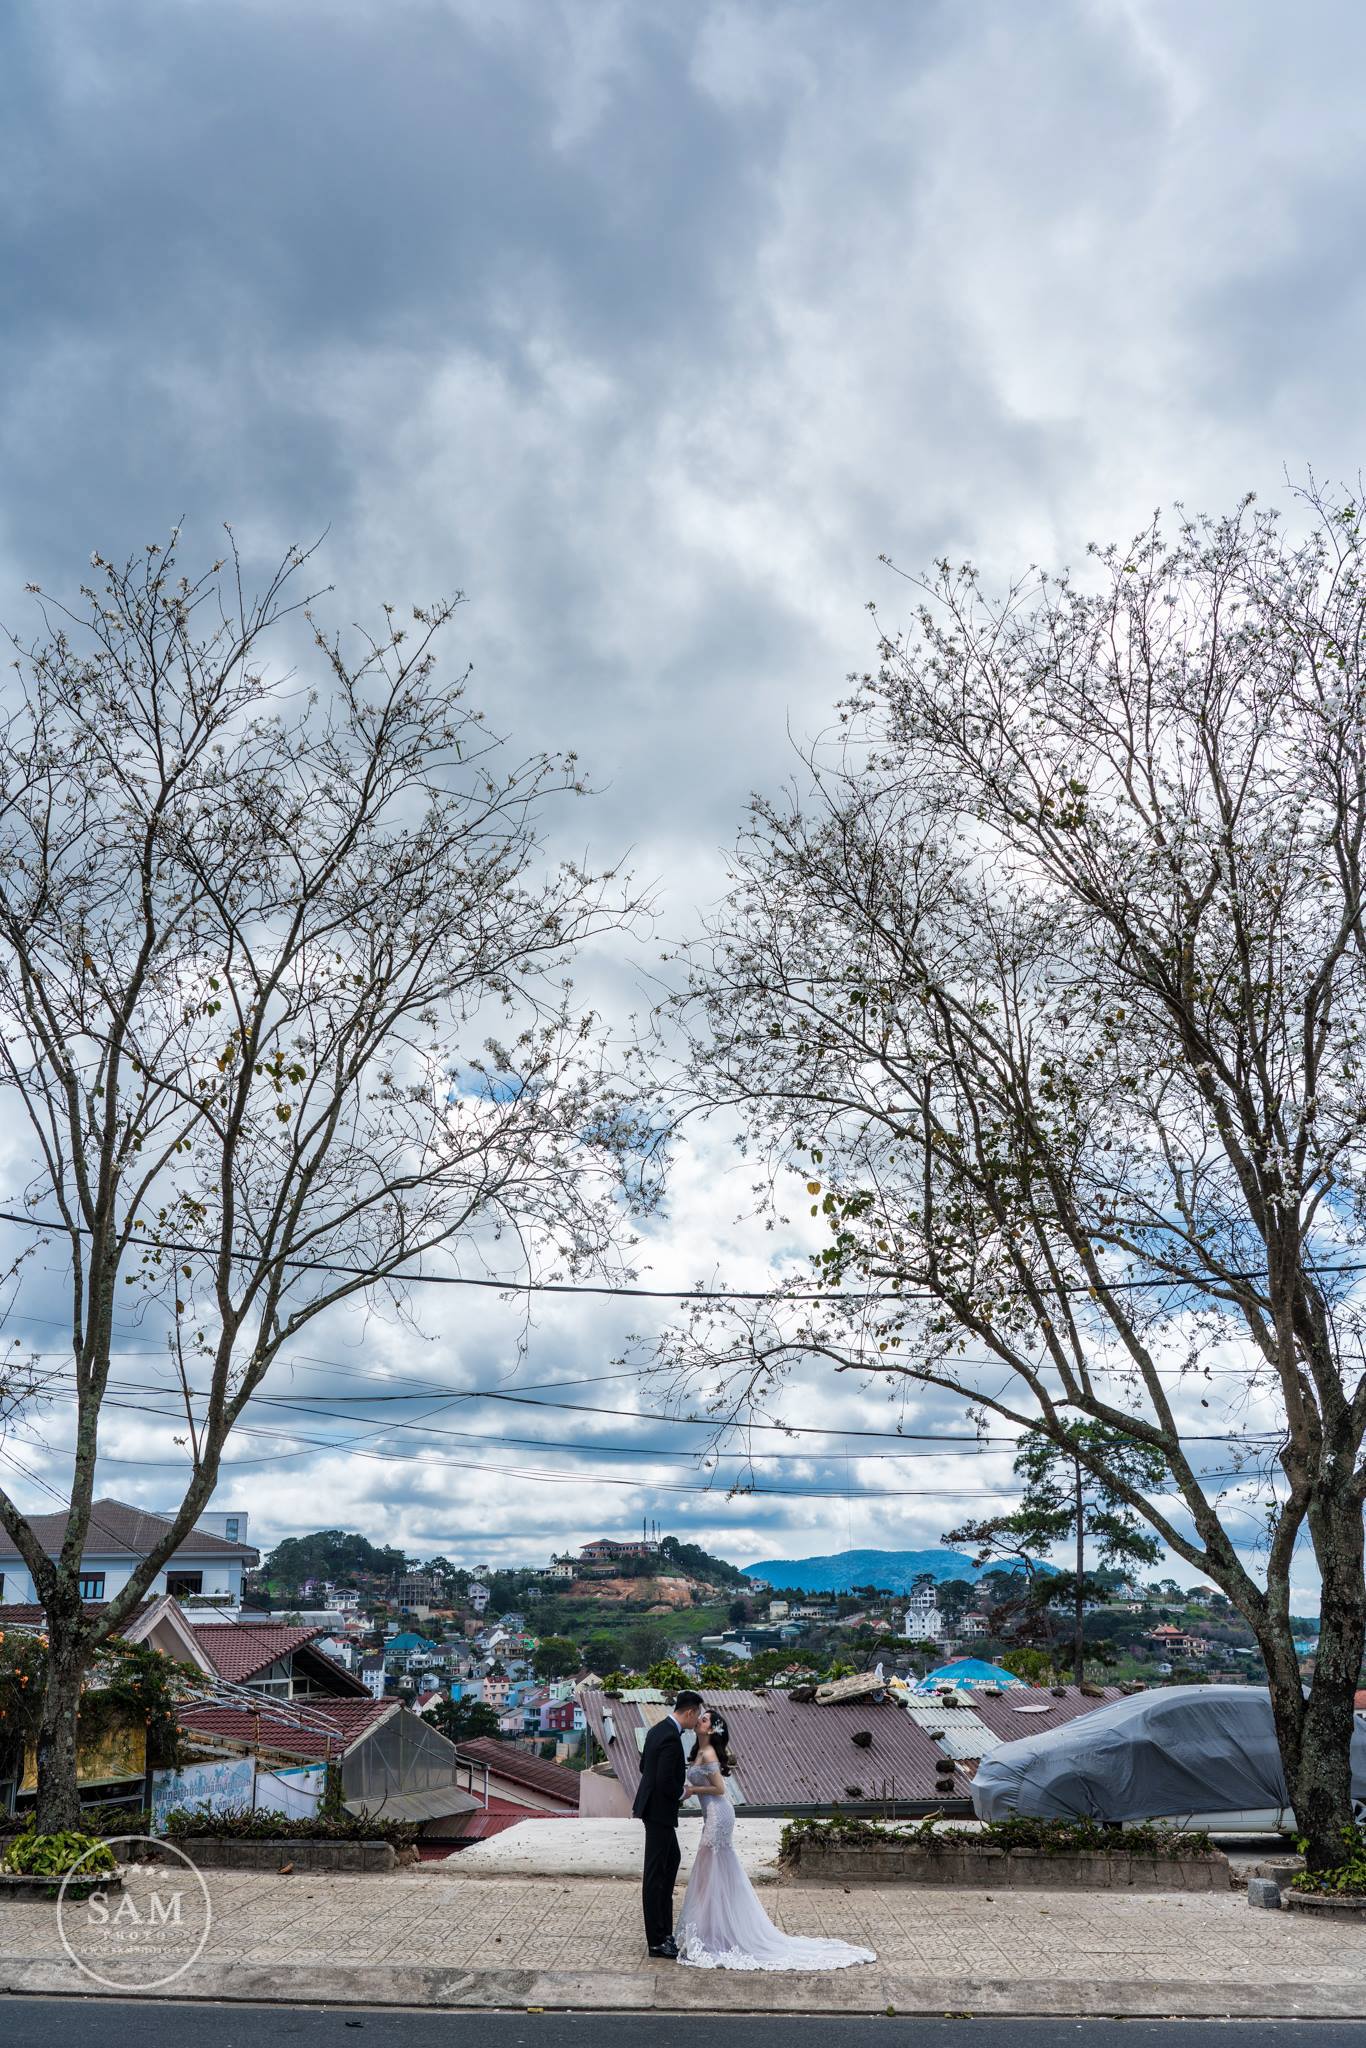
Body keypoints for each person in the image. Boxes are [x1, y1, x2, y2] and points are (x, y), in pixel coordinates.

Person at [674, 1708, 876, 1972]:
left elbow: (720, 1789)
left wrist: (691, 1789)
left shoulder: (709, 1753)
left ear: (711, 1729)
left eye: (704, 1719)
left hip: (718, 1814)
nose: (699, 1720)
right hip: (712, 1814)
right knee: (712, 1872)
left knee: (710, 1871)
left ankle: (714, 1932)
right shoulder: (699, 1751)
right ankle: (712, 1927)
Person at [632, 1687, 703, 1957]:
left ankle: (664, 1931)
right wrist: (683, 1791)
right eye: (696, 1716)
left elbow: (643, 1767)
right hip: (660, 1811)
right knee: (656, 1875)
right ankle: (657, 1941)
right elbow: (664, 1781)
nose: (697, 1721)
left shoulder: (656, 1730)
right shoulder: (672, 1739)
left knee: (671, 1859)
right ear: (689, 1712)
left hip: (653, 1809)